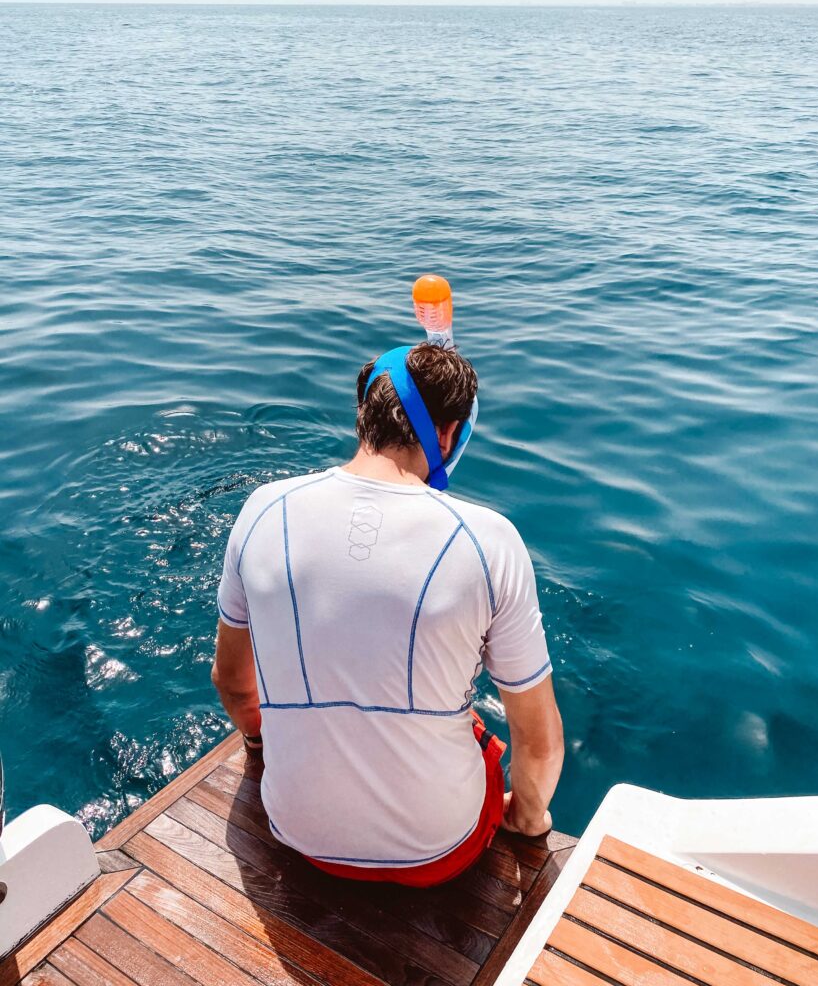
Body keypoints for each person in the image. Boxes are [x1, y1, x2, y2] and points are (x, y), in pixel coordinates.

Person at [212, 342, 564, 887]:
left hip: (295, 831)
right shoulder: (490, 540)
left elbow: (234, 686)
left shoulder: (262, 509)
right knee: (469, 720)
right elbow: (539, 743)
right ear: (447, 435)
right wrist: (526, 816)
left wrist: (260, 745)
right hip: (440, 851)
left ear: (363, 417)